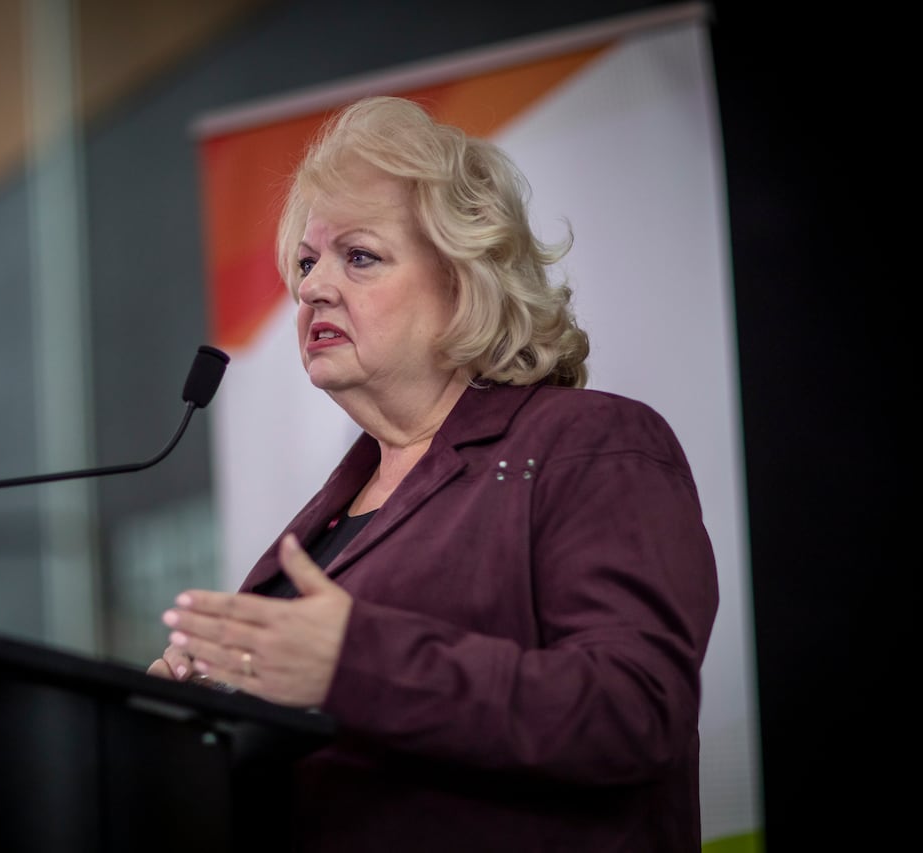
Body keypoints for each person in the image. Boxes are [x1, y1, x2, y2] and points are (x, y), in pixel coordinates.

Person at [148, 95, 718, 852]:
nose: (312, 288)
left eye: (359, 256)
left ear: (464, 281)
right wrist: (195, 727)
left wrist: (354, 661)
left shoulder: (588, 444)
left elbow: (634, 710)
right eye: (307, 262)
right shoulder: (325, 520)